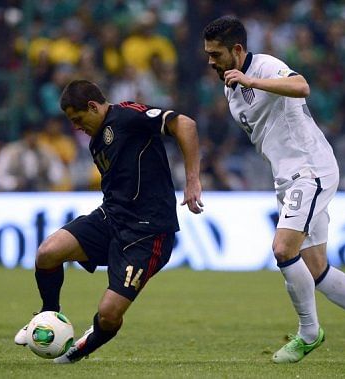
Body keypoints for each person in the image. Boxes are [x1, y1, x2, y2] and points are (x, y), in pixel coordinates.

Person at [202, 16, 345, 363]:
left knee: (283, 249)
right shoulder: (229, 86)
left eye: (217, 54)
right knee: (315, 267)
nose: (211, 62)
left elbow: (302, 86)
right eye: (208, 55)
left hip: (309, 170)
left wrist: (252, 79)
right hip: (287, 176)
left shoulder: (266, 66)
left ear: (237, 50)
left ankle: (309, 333)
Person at [14, 79, 203, 364]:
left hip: (148, 234)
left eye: (78, 119)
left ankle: (81, 348)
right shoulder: (96, 140)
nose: (76, 127)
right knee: (48, 252)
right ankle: (47, 314)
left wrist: (192, 181)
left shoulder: (126, 116)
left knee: (109, 314)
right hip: (110, 219)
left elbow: (185, 124)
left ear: (92, 106)